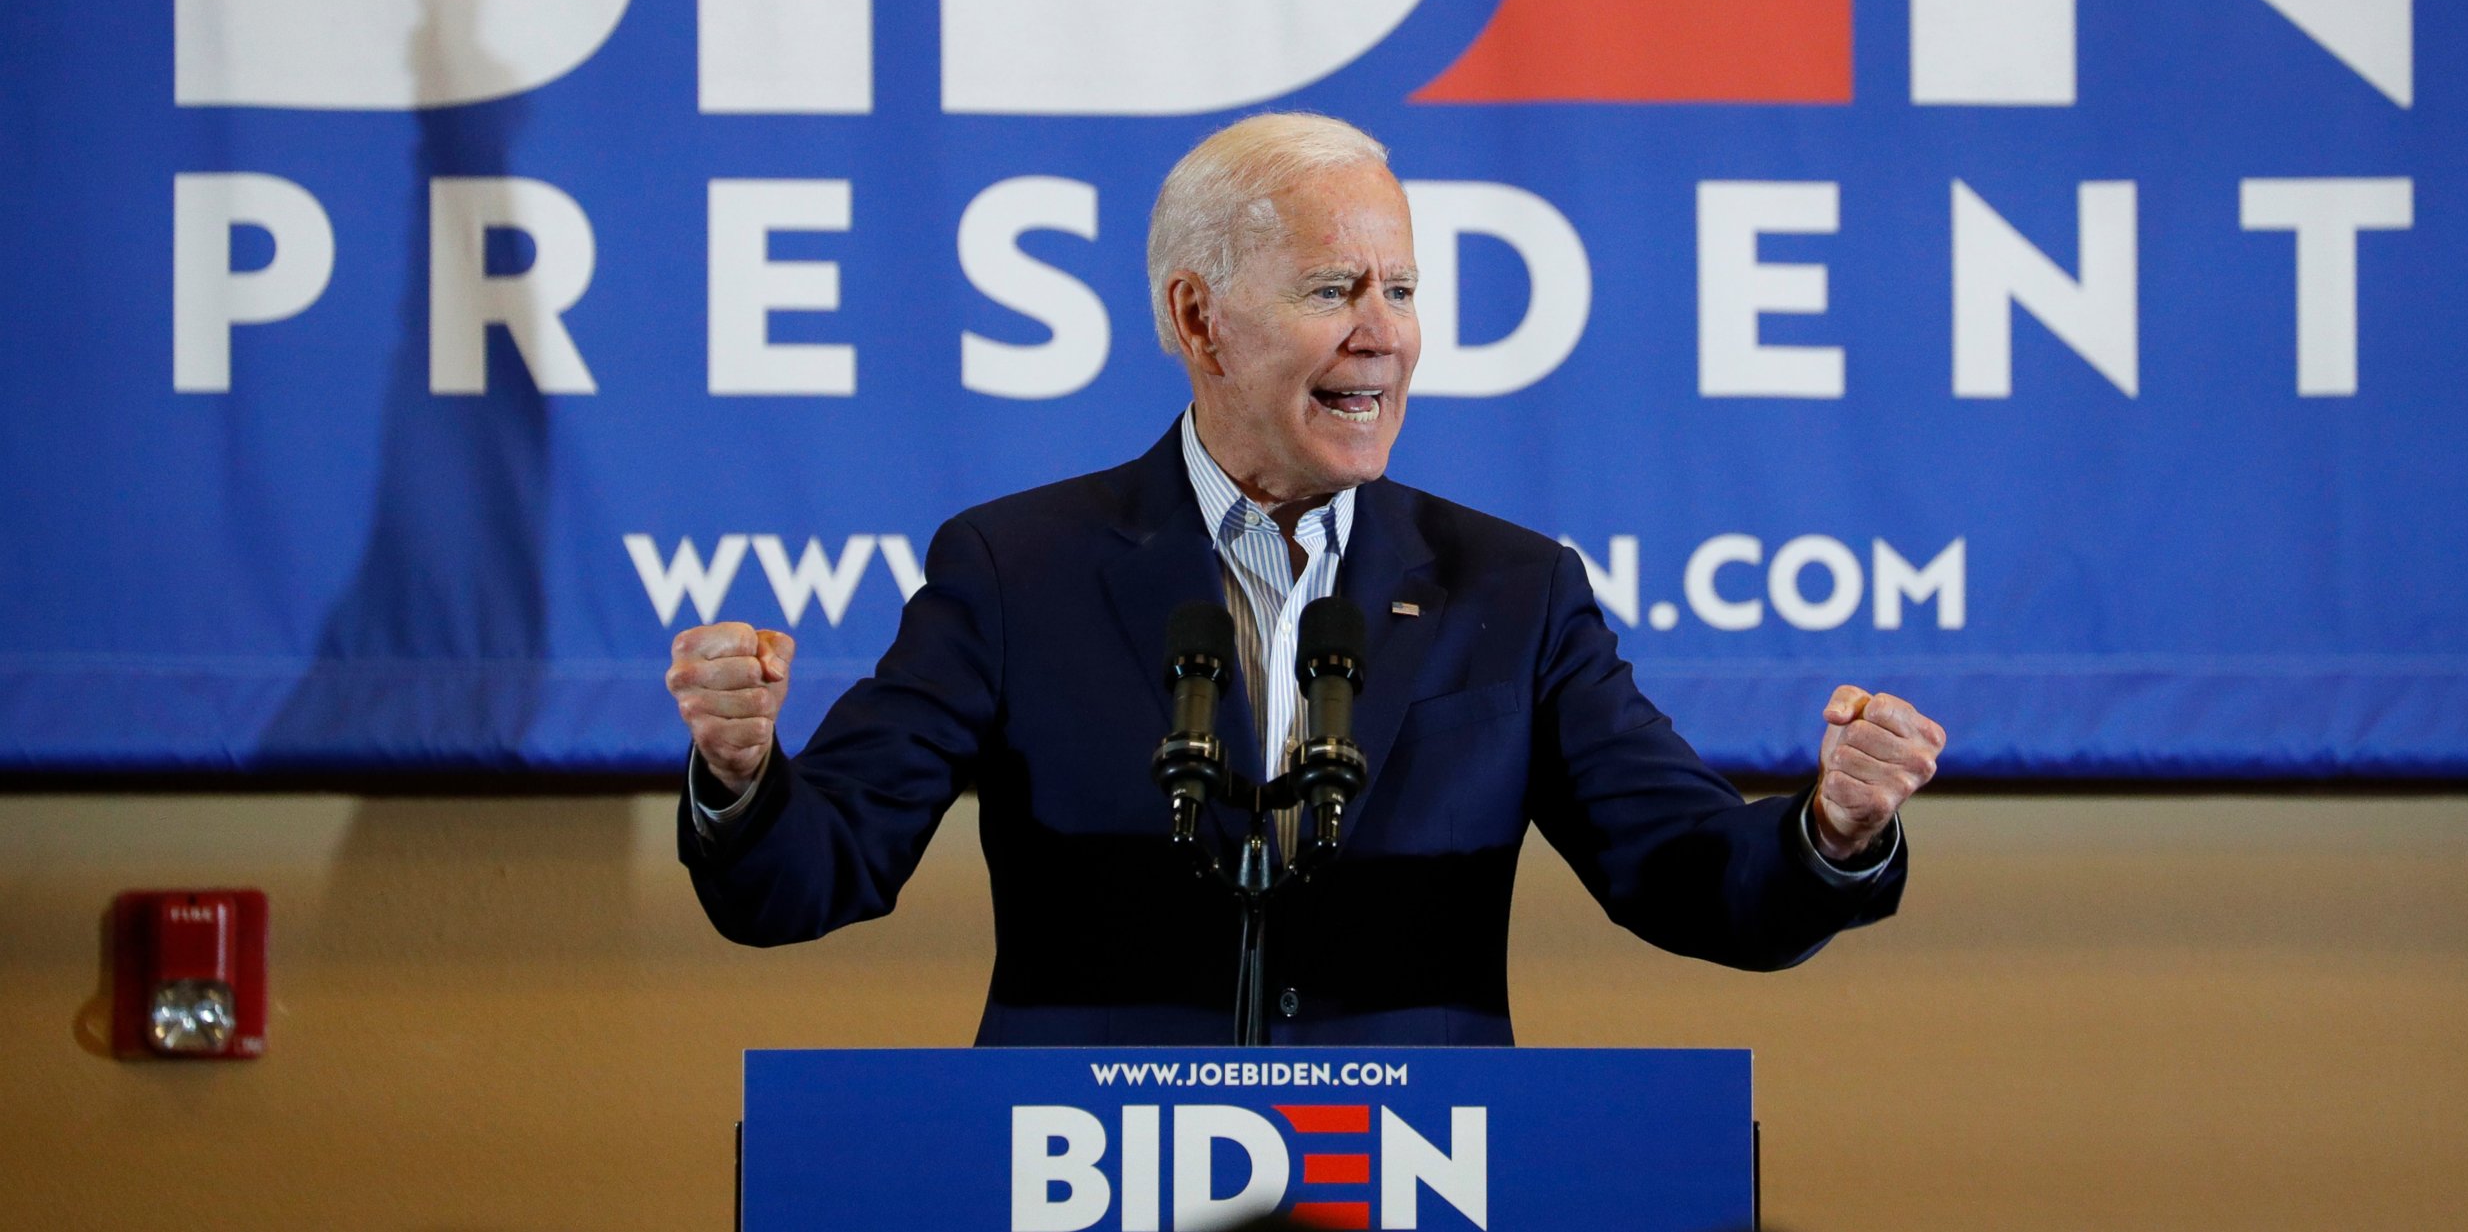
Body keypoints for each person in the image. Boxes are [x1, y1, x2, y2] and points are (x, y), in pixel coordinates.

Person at [670, 113, 1944, 1044]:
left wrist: (1831, 830)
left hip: (1413, 1185)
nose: (1382, 331)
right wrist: (740, 779)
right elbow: (808, 875)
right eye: (1334, 288)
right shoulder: (1016, 571)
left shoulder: (1513, 591)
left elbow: (1696, 878)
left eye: (1401, 289)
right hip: (1085, 1185)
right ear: (1197, 317)